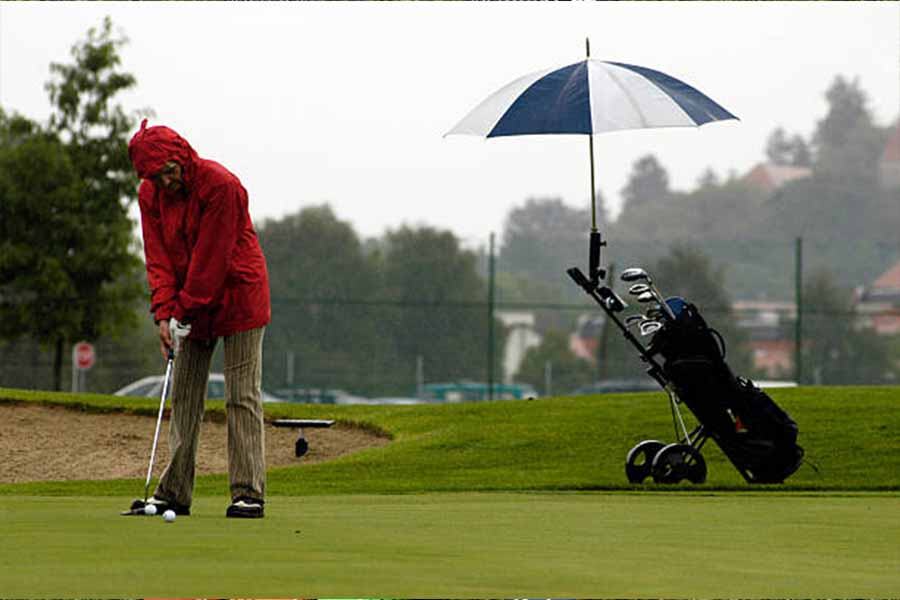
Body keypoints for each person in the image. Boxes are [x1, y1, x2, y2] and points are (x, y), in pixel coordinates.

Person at [125, 119, 271, 519]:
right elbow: (157, 258)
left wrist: (182, 311)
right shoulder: (150, 195)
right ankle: (173, 491)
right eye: (156, 176)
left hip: (238, 295)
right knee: (185, 395)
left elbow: (212, 258)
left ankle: (247, 492)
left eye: (169, 170)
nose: (166, 181)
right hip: (190, 302)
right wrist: (163, 314)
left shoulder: (220, 185)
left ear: (181, 155)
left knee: (241, 395)